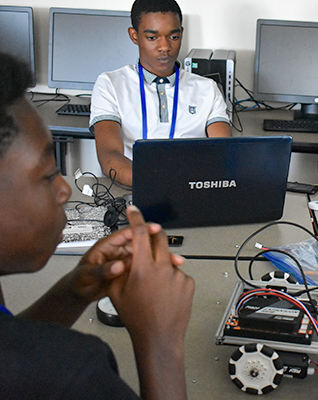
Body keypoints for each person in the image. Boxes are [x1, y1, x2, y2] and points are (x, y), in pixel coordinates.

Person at [0, 52, 195, 399]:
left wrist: (72, 292)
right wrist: (161, 341)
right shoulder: (72, 371)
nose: (64, 189)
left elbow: (12, 338)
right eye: (47, 175)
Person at [90, 0, 231, 187]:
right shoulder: (110, 84)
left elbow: (225, 153)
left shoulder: (207, 89)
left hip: (191, 189)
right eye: (152, 38)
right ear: (134, 36)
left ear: (181, 34)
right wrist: (157, 184)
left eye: (173, 37)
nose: (164, 47)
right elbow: (109, 155)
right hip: (134, 188)